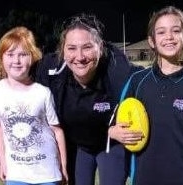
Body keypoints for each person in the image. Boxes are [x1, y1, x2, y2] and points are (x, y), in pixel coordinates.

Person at [35, 13, 143, 185]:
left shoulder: (117, 69)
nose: (79, 56)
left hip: (110, 143)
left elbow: (154, 80)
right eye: (71, 48)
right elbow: (15, 74)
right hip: (76, 143)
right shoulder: (51, 69)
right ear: (63, 50)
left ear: (100, 47)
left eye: (87, 47)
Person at [119, 6, 183, 184]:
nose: (169, 37)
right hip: (144, 176)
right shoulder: (137, 82)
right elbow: (118, 123)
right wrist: (114, 131)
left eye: (176, 31)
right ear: (151, 41)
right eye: (161, 32)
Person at [0, 26, 68, 185]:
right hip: (16, 173)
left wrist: (63, 165)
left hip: (47, 173)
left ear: (32, 58)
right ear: (1, 58)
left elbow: (57, 131)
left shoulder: (42, 92)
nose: (16, 61)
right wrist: (2, 161)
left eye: (23, 55)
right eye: (10, 54)